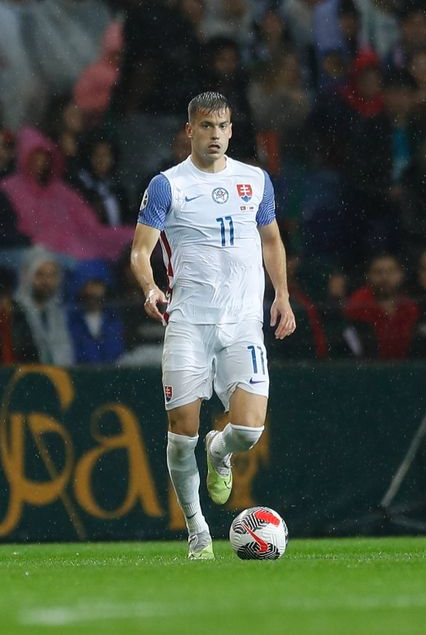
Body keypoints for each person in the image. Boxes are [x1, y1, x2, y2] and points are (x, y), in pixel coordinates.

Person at [129, 91, 296, 560]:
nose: (216, 135)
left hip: (243, 322)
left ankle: (219, 450)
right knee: (180, 433)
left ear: (231, 130)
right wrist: (149, 288)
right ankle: (198, 531)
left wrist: (282, 295)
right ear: (190, 130)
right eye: (206, 126)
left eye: (222, 126)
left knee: (248, 431)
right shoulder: (167, 185)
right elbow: (140, 252)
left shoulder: (256, 180)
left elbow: (272, 241)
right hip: (188, 323)